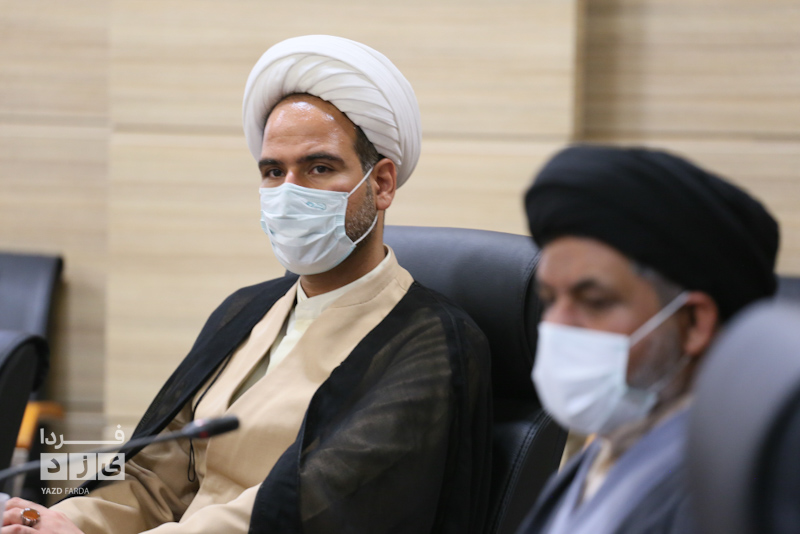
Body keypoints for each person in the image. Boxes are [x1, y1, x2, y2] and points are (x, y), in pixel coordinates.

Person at [2, 35, 492, 534]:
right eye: (273, 171)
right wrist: (53, 521)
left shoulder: (432, 343)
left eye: (319, 167)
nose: (288, 192)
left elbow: (314, 504)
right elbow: (153, 477)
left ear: (381, 183)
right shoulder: (247, 310)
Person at [515, 145, 780, 534]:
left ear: (694, 323)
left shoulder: (723, 494)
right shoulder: (613, 441)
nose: (557, 324)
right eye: (550, 300)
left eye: (595, 302)